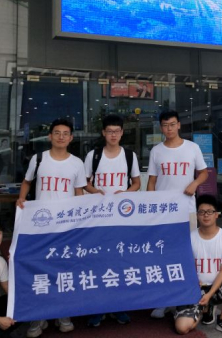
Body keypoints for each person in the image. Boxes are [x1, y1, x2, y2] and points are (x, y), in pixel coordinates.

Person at [17, 118, 86, 337]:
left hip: (66, 226)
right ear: (50, 136)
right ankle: (38, 316)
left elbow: (79, 193)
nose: (61, 137)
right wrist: (21, 199)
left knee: (64, 270)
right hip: (41, 225)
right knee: (40, 269)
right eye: (57, 133)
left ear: (71, 138)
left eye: (65, 133)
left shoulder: (77, 163)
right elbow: (27, 182)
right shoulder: (38, 159)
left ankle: (62, 313)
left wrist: (80, 221)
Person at [147, 110, 208, 319]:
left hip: (186, 210)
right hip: (163, 213)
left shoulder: (192, 148)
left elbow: (204, 172)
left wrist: (195, 183)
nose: (169, 129)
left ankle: (185, 298)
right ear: (161, 128)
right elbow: (152, 181)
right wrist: (151, 208)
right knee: (163, 254)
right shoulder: (156, 151)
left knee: (187, 254)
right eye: (165, 125)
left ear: (179, 125)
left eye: (172, 124)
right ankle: (165, 300)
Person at [83, 114, 141, 327]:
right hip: (98, 217)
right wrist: (96, 192)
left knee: (120, 260)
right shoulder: (93, 155)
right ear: (103, 133)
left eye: (117, 131)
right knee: (98, 261)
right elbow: (84, 183)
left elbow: (137, 183)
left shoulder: (129, 156)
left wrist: (124, 194)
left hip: (121, 217)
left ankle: (118, 306)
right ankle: (98, 307)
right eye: (109, 131)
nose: (113, 135)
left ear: (122, 133)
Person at [174, 195, 222, 336]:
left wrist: (210, 294)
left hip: (216, 287)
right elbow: (184, 266)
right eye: (201, 212)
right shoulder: (189, 238)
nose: (205, 215)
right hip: (195, 289)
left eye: (210, 211)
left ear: (216, 214)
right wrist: (192, 281)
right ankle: (205, 309)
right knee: (182, 328)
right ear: (197, 215)